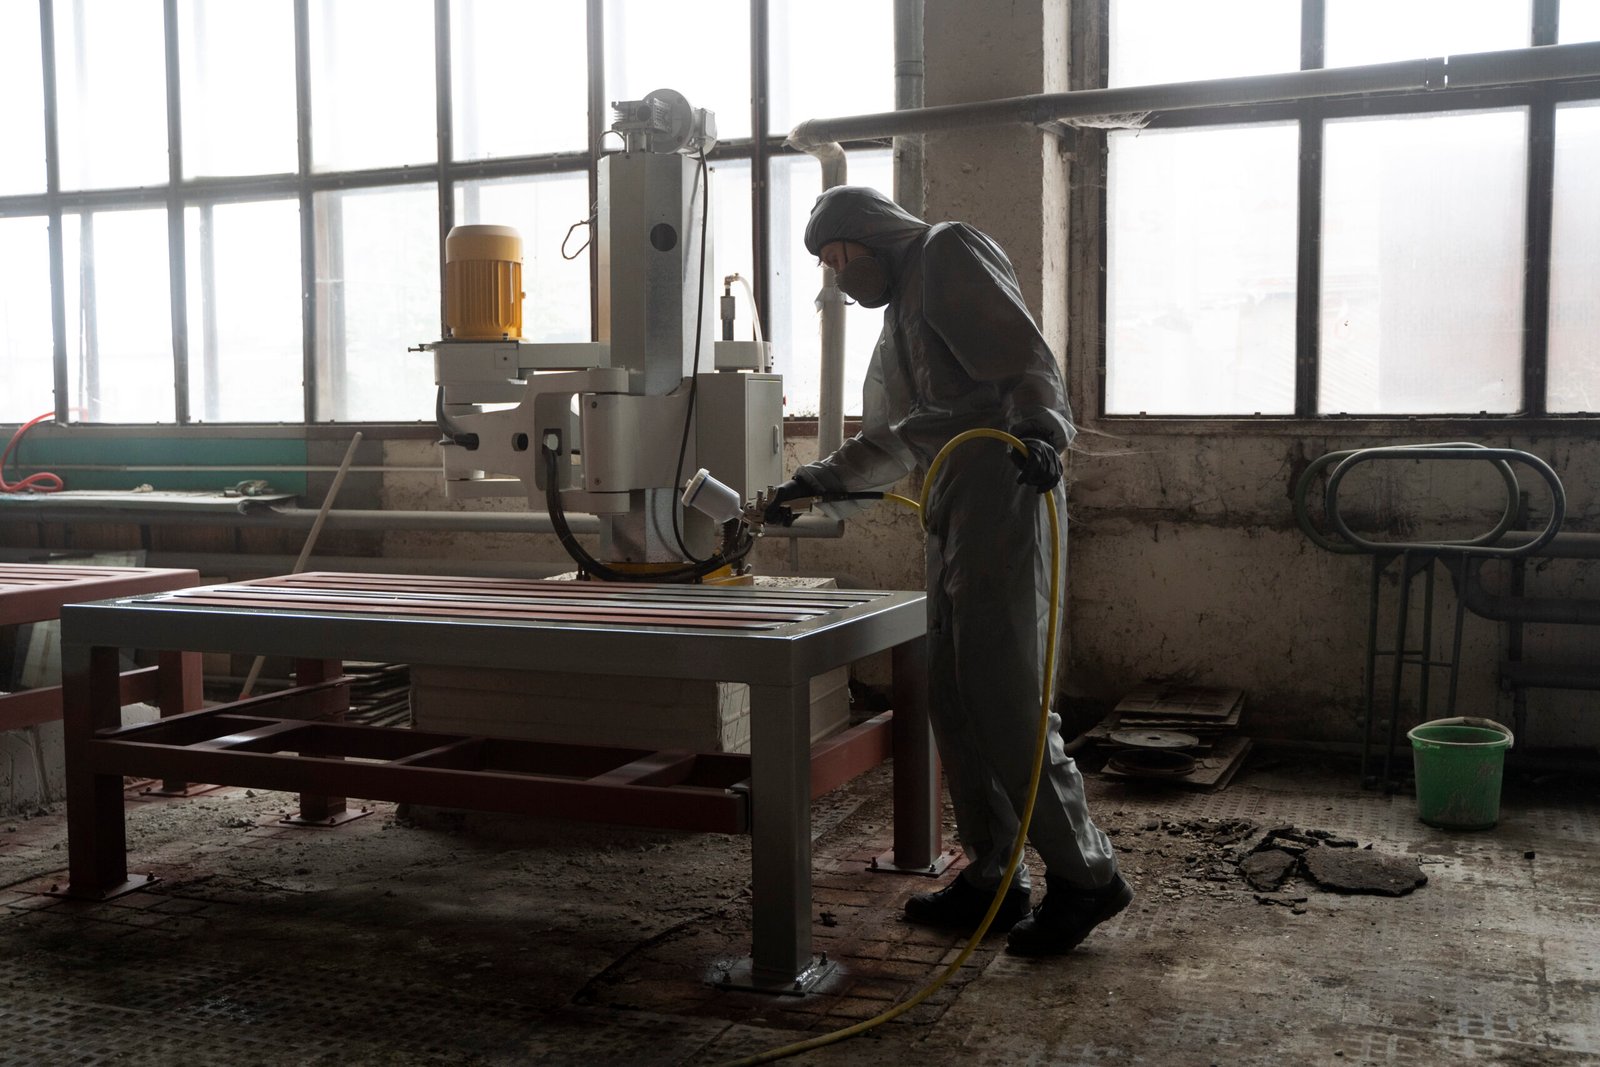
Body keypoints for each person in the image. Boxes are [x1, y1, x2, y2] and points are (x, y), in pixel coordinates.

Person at [768, 186, 1130, 956]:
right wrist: (813, 484)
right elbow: (904, 435)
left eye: (836, 255)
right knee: (955, 697)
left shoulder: (945, 251)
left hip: (1004, 477)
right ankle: (996, 875)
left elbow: (1025, 355)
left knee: (1004, 692)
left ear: (869, 234)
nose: (835, 275)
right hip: (951, 495)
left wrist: (1040, 430)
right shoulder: (901, 315)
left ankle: (1088, 874)